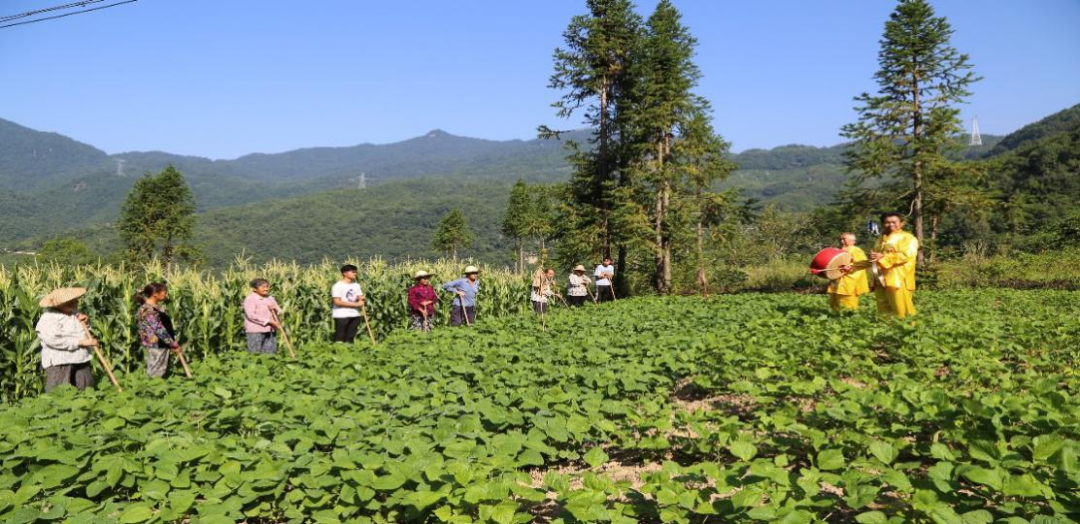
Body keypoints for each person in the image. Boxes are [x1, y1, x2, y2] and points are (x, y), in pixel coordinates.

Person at [851, 212, 919, 319]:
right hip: (880, 280)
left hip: (898, 280)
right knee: (884, 312)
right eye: (887, 222)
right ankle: (887, 333)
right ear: (883, 224)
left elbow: (907, 255)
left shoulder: (907, 238)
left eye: (894, 222)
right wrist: (852, 266)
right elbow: (874, 260)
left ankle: (910, 333)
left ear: (902, 223)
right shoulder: (880, 240)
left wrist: (883, 257)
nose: (891, 224)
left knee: (903, 312)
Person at [36, 287, 98, 392]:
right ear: (62, 304)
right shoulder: (49, 318)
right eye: (72, 301)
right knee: (60, 391)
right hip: (60, 362)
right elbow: (53, 340)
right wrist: (80, 342)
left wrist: (86, 324)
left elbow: (83, 333)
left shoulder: (75, 315)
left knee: (86, 386)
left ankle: (85, 407)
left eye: (75, 300)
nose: (76, 302)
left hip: (80, 359)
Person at [135, 282, 183, 378]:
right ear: (155, 294)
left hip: (162, 344)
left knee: (162, 372)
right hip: (156, 345)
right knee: (155, 374)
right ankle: (150, 391)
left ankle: (160, 390)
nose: (166, 294)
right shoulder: (148, 310)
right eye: (164, 292)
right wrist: (173, 344)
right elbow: (159, 329)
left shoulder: (156, 307)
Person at [828, 233, 870, 313]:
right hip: (836, 280)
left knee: (848, 301)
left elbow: (863, 264)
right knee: (834, 300)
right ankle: (834, 317)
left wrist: (850, 267)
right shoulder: (838, 250)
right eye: (840, 239)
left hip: (849, 280)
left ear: (852, 241)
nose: (841, 241)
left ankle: (849, 317)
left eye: (844, 239)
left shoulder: (856, 250)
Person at [243, 278, 282, 354]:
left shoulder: (270, 298)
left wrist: (275, 308)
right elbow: (251, 315)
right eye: (263, 287)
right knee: (255, 353)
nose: (266, 289)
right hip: (255, 330)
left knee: (270, 353)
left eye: (267, 287)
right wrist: (269, 322)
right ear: (255, 289)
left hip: (270, 330)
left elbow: (280, 311)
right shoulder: (250, 299)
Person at [331, 264, 366, 343]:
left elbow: (359, 297)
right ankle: (338, 352)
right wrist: (357, 304)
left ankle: (349, 352)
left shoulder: (356, 285)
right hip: (342, 314)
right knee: (340, 335)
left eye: (356, 272)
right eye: (353, 272)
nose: (355, 273)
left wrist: (361, 298)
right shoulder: (337, 286)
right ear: (345, 273)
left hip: (355, 314)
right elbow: (337, 302)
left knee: (350, 337)